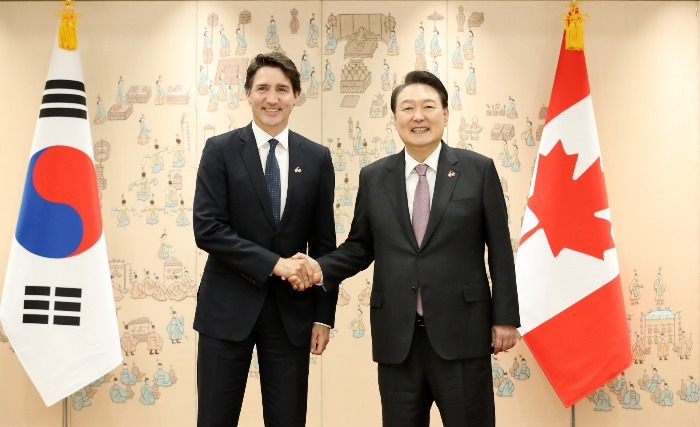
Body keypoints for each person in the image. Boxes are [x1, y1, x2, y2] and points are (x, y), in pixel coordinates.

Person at [292, 71, 519, 426]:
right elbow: (360, 246)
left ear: (445, 112)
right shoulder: (374, 176)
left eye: (428, 106)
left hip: (462, 334)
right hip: (398, 338)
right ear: (395, 118)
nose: (418, 116)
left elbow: (501, 251)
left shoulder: (478, 170)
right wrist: (320, 269)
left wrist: (505, 318)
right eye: (407, 108)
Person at [193, 51, 337, 427]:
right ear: (248, 93)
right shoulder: (220, 150)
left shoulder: (318, 157)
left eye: (282, 89)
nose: (272, 98)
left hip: (292, 315)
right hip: (225, 310)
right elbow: (207, 228)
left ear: (296, 96)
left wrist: (324, 318)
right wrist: (274, 264)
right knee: (214, 418)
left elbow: (324, 244)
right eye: (262, 88)